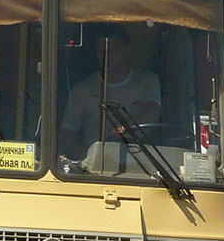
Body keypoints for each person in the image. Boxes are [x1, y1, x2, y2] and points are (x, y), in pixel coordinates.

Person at [59, 26, 160, 156]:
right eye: (100, 50)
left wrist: (123, 130)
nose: (106, 56)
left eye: (113, 49)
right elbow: (66, 136)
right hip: (97, 167)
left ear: (127, 50)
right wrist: (90, 157)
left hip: (143, 160)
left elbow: (154, 112)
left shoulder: (147, 81)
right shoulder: (83, 90)